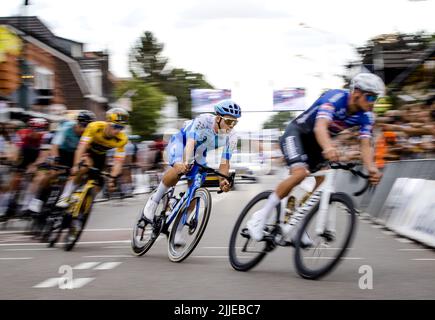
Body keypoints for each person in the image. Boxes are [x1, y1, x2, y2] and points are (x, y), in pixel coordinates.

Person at [246, 73, 385, 244]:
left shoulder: (367, 116)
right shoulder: (334, 98)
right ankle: (260, 218)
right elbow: (320, 127)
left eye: (375, 98)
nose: (372, 102)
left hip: (316, 145)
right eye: (370, 96)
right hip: (297, 134)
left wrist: (371, 167)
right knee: (299, 174)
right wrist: (328, 147)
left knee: (322, 182)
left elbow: (365, 144)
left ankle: (297, 222)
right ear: (356, 92)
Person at [141, 99, 241, 223]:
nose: (231, 126)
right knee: (179, 168)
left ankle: (177, 231)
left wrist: (223, 180)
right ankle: (153, 202)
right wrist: (185, 162)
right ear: (218, 118)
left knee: (196, 188)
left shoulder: (232, 137)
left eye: (235, 122)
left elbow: (225, 162)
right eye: (229, 121)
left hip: (199, 153)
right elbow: (190, 142)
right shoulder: (204, 121)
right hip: (181, 142)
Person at [55, 108, 129, 208]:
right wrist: (76, 164)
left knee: (98, 183)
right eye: (115, 126)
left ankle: (83, 203)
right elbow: (81, 147)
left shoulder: (122, 139)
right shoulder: (94, 126)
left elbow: (118, 161)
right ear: (107, 122)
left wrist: (113, 177)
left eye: (121, 127)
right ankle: (65, 196)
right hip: (88, 151)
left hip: (101, 156)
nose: (117, 130)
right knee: (84, 166)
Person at [26, 110, 96, 216]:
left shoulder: (89, 135)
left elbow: (87, 152)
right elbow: (55, 146)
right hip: (60, 151)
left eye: (88, 127)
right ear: (78, 123)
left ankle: (65, 198)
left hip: (74, 155)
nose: (85, 130)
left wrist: (80, 164)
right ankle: (37, 200)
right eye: (84, 126)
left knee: (75, 174)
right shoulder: (67, 127)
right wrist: (55, 159)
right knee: (52, 173)